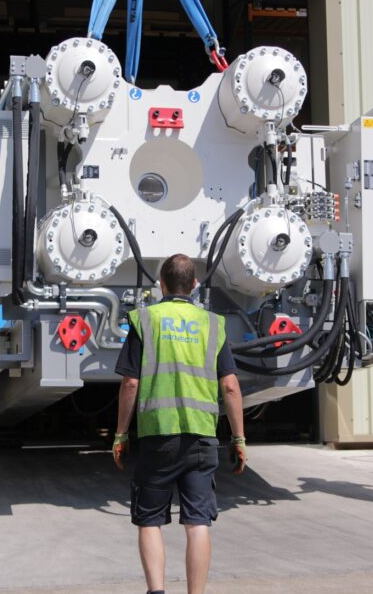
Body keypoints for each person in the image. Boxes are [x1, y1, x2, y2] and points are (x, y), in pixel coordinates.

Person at [112, 253, 247, 594]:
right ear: (195, 285)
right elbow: (230, 386)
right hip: (201, 437)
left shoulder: (146, 320)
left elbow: (130, 383)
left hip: (158, 437)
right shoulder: (213, 324)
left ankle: (156, 591)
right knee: (198, 521)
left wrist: (120, 434)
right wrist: (239, 438)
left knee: (149, 520)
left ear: (161, 285)